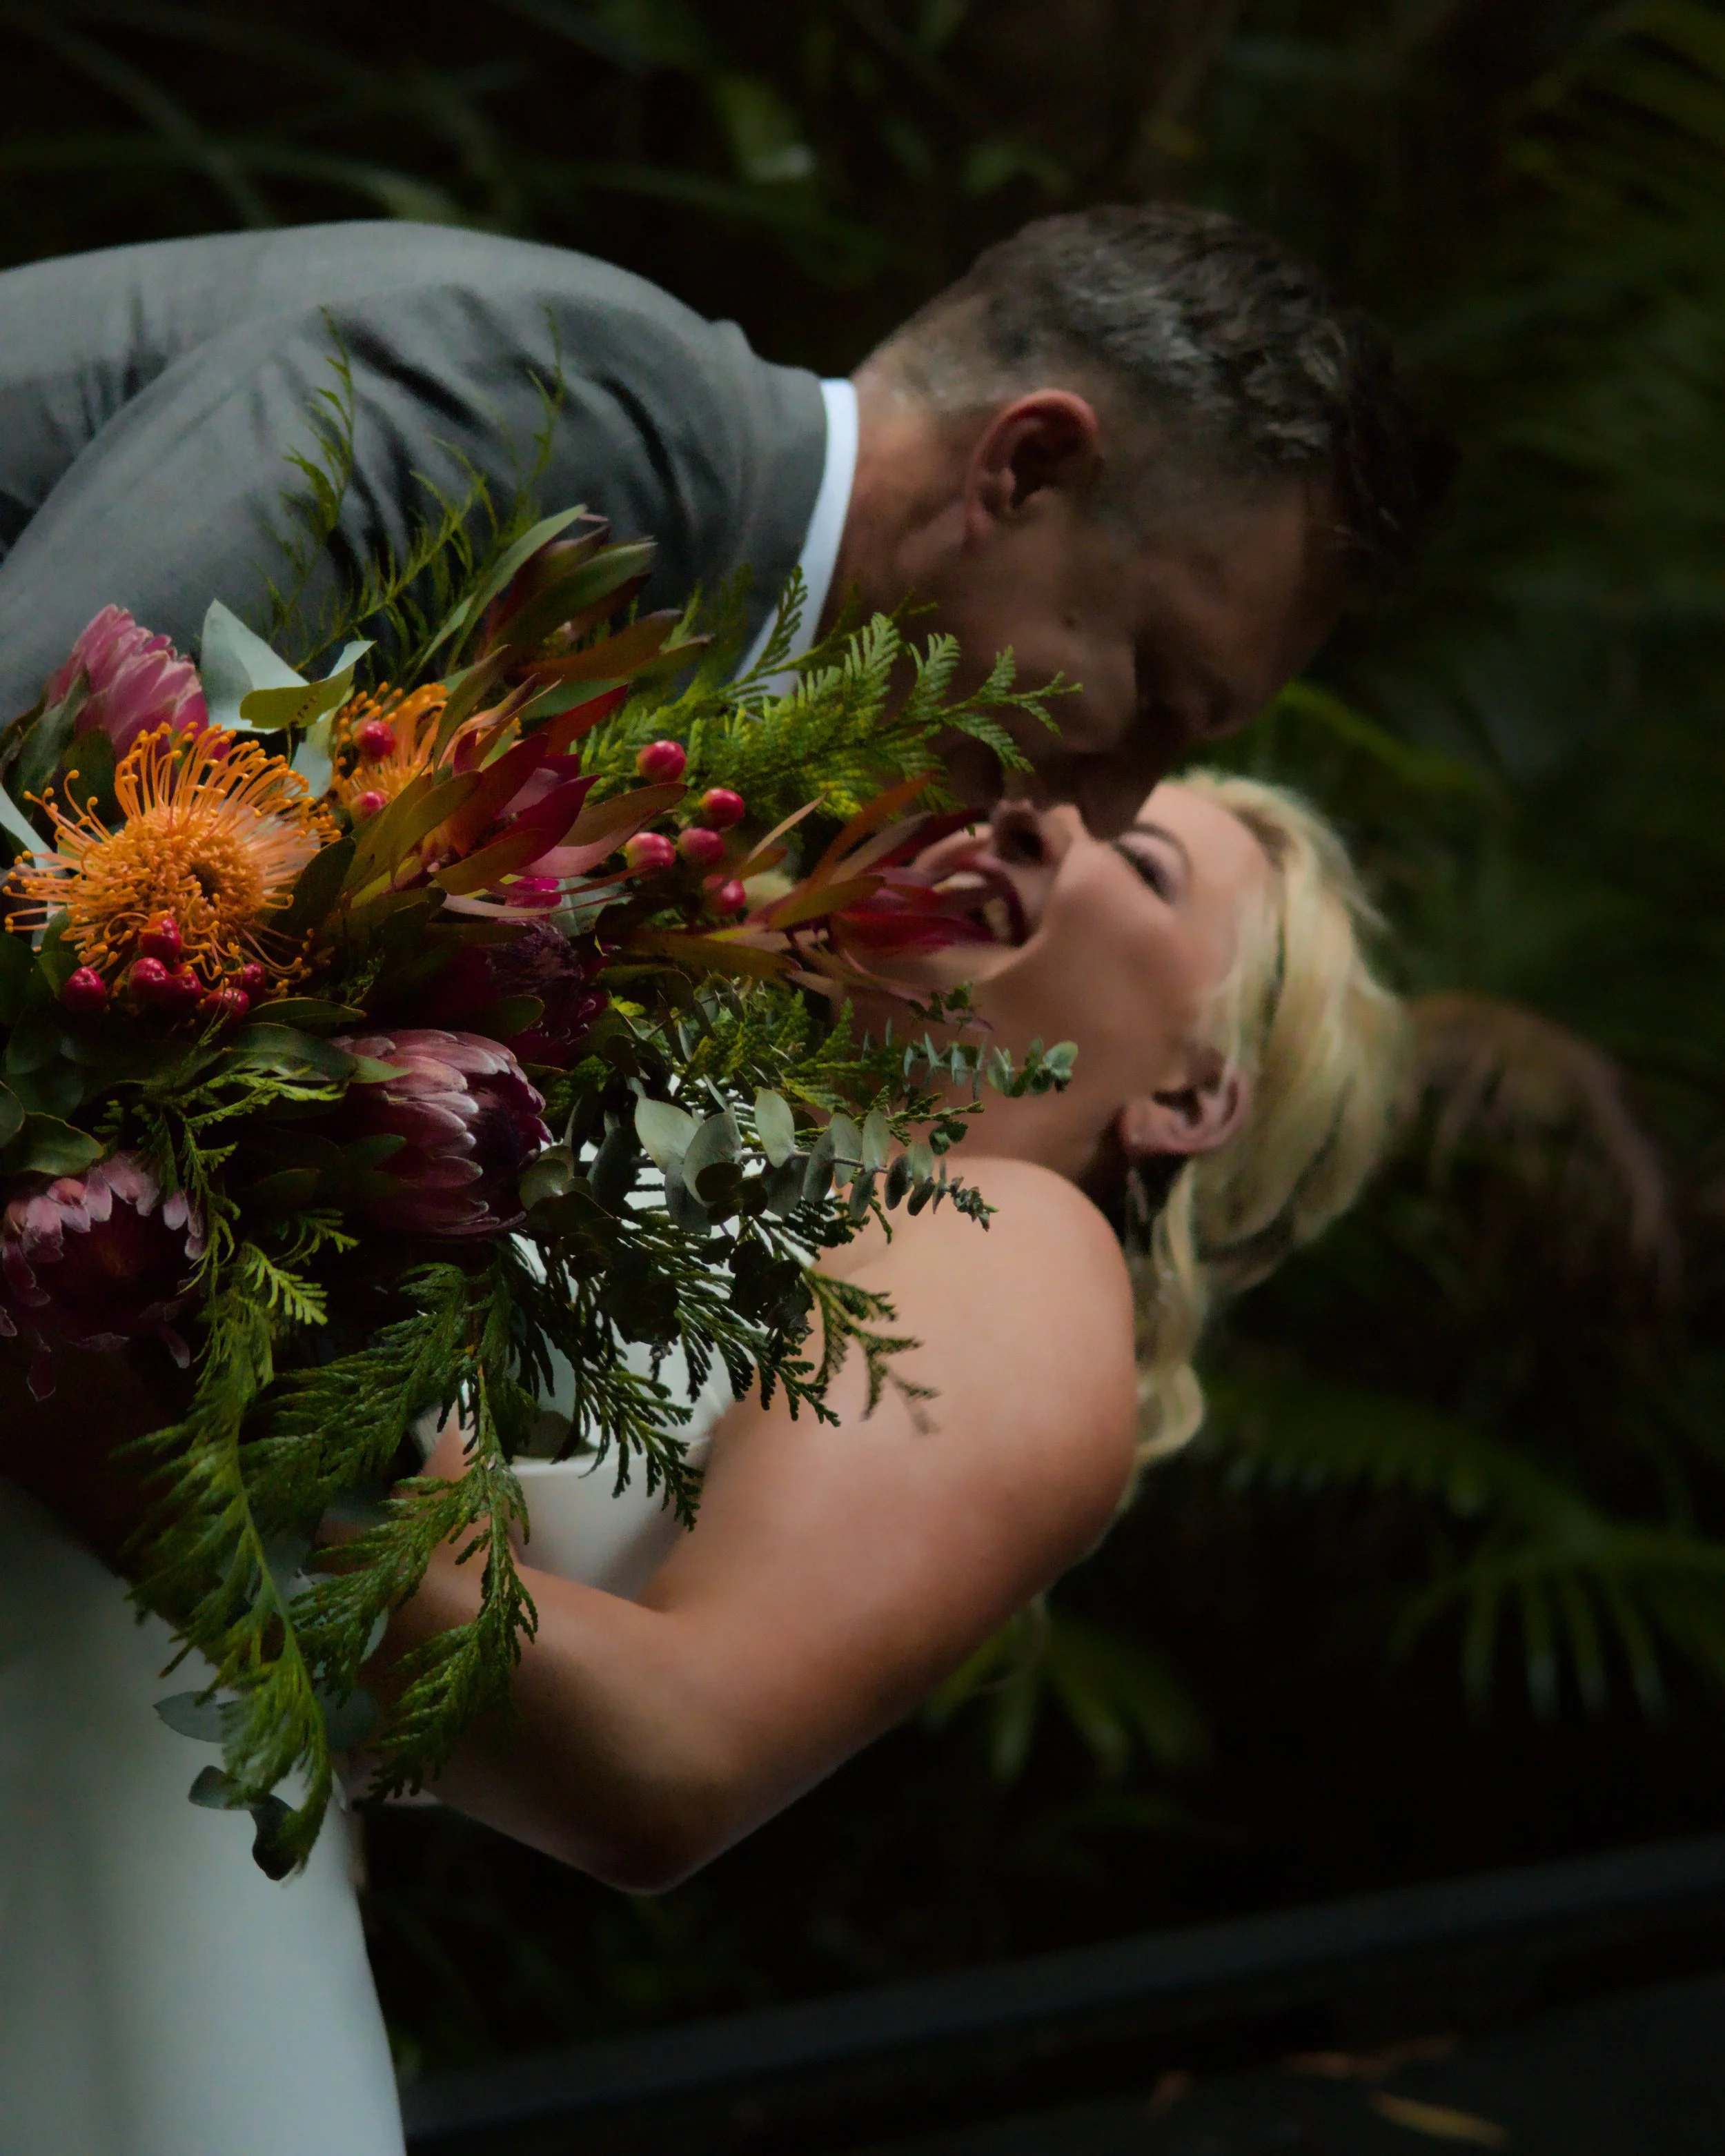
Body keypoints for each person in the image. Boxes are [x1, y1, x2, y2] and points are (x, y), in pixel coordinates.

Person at [388, 772, 1408, 1887]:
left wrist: (287, 1460)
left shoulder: (1027, 1244)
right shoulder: (675, 1040)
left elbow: (678, 1750)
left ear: (1191, 1098)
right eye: (1057, 789)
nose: (1033, 812)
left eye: (1143, 859)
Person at [0, 206, 1447, 830]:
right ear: (1021, 472)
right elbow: (35, 759)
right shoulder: (575, 411)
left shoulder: (697, 582)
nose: (1109, 805)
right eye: (1155, 697)